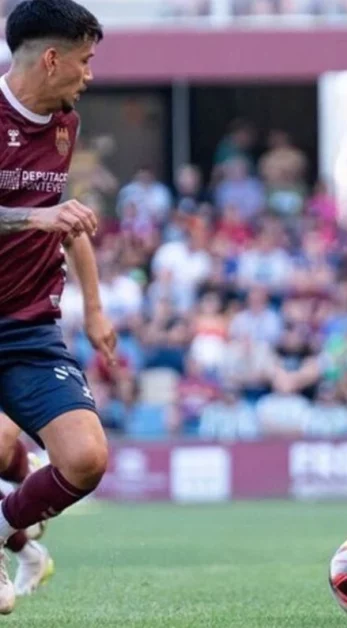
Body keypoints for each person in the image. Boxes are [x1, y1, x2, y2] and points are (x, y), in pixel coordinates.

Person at [0, 0, 114, 614]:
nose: (90, 75)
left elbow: (66, 223)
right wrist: (35, 217)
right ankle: (25, 546)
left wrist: (94, 309)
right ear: (51, 58)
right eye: (85, 60)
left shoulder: (64, 121)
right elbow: (45, 216)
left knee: (86, 458)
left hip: (28, 325)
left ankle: (4, 532)